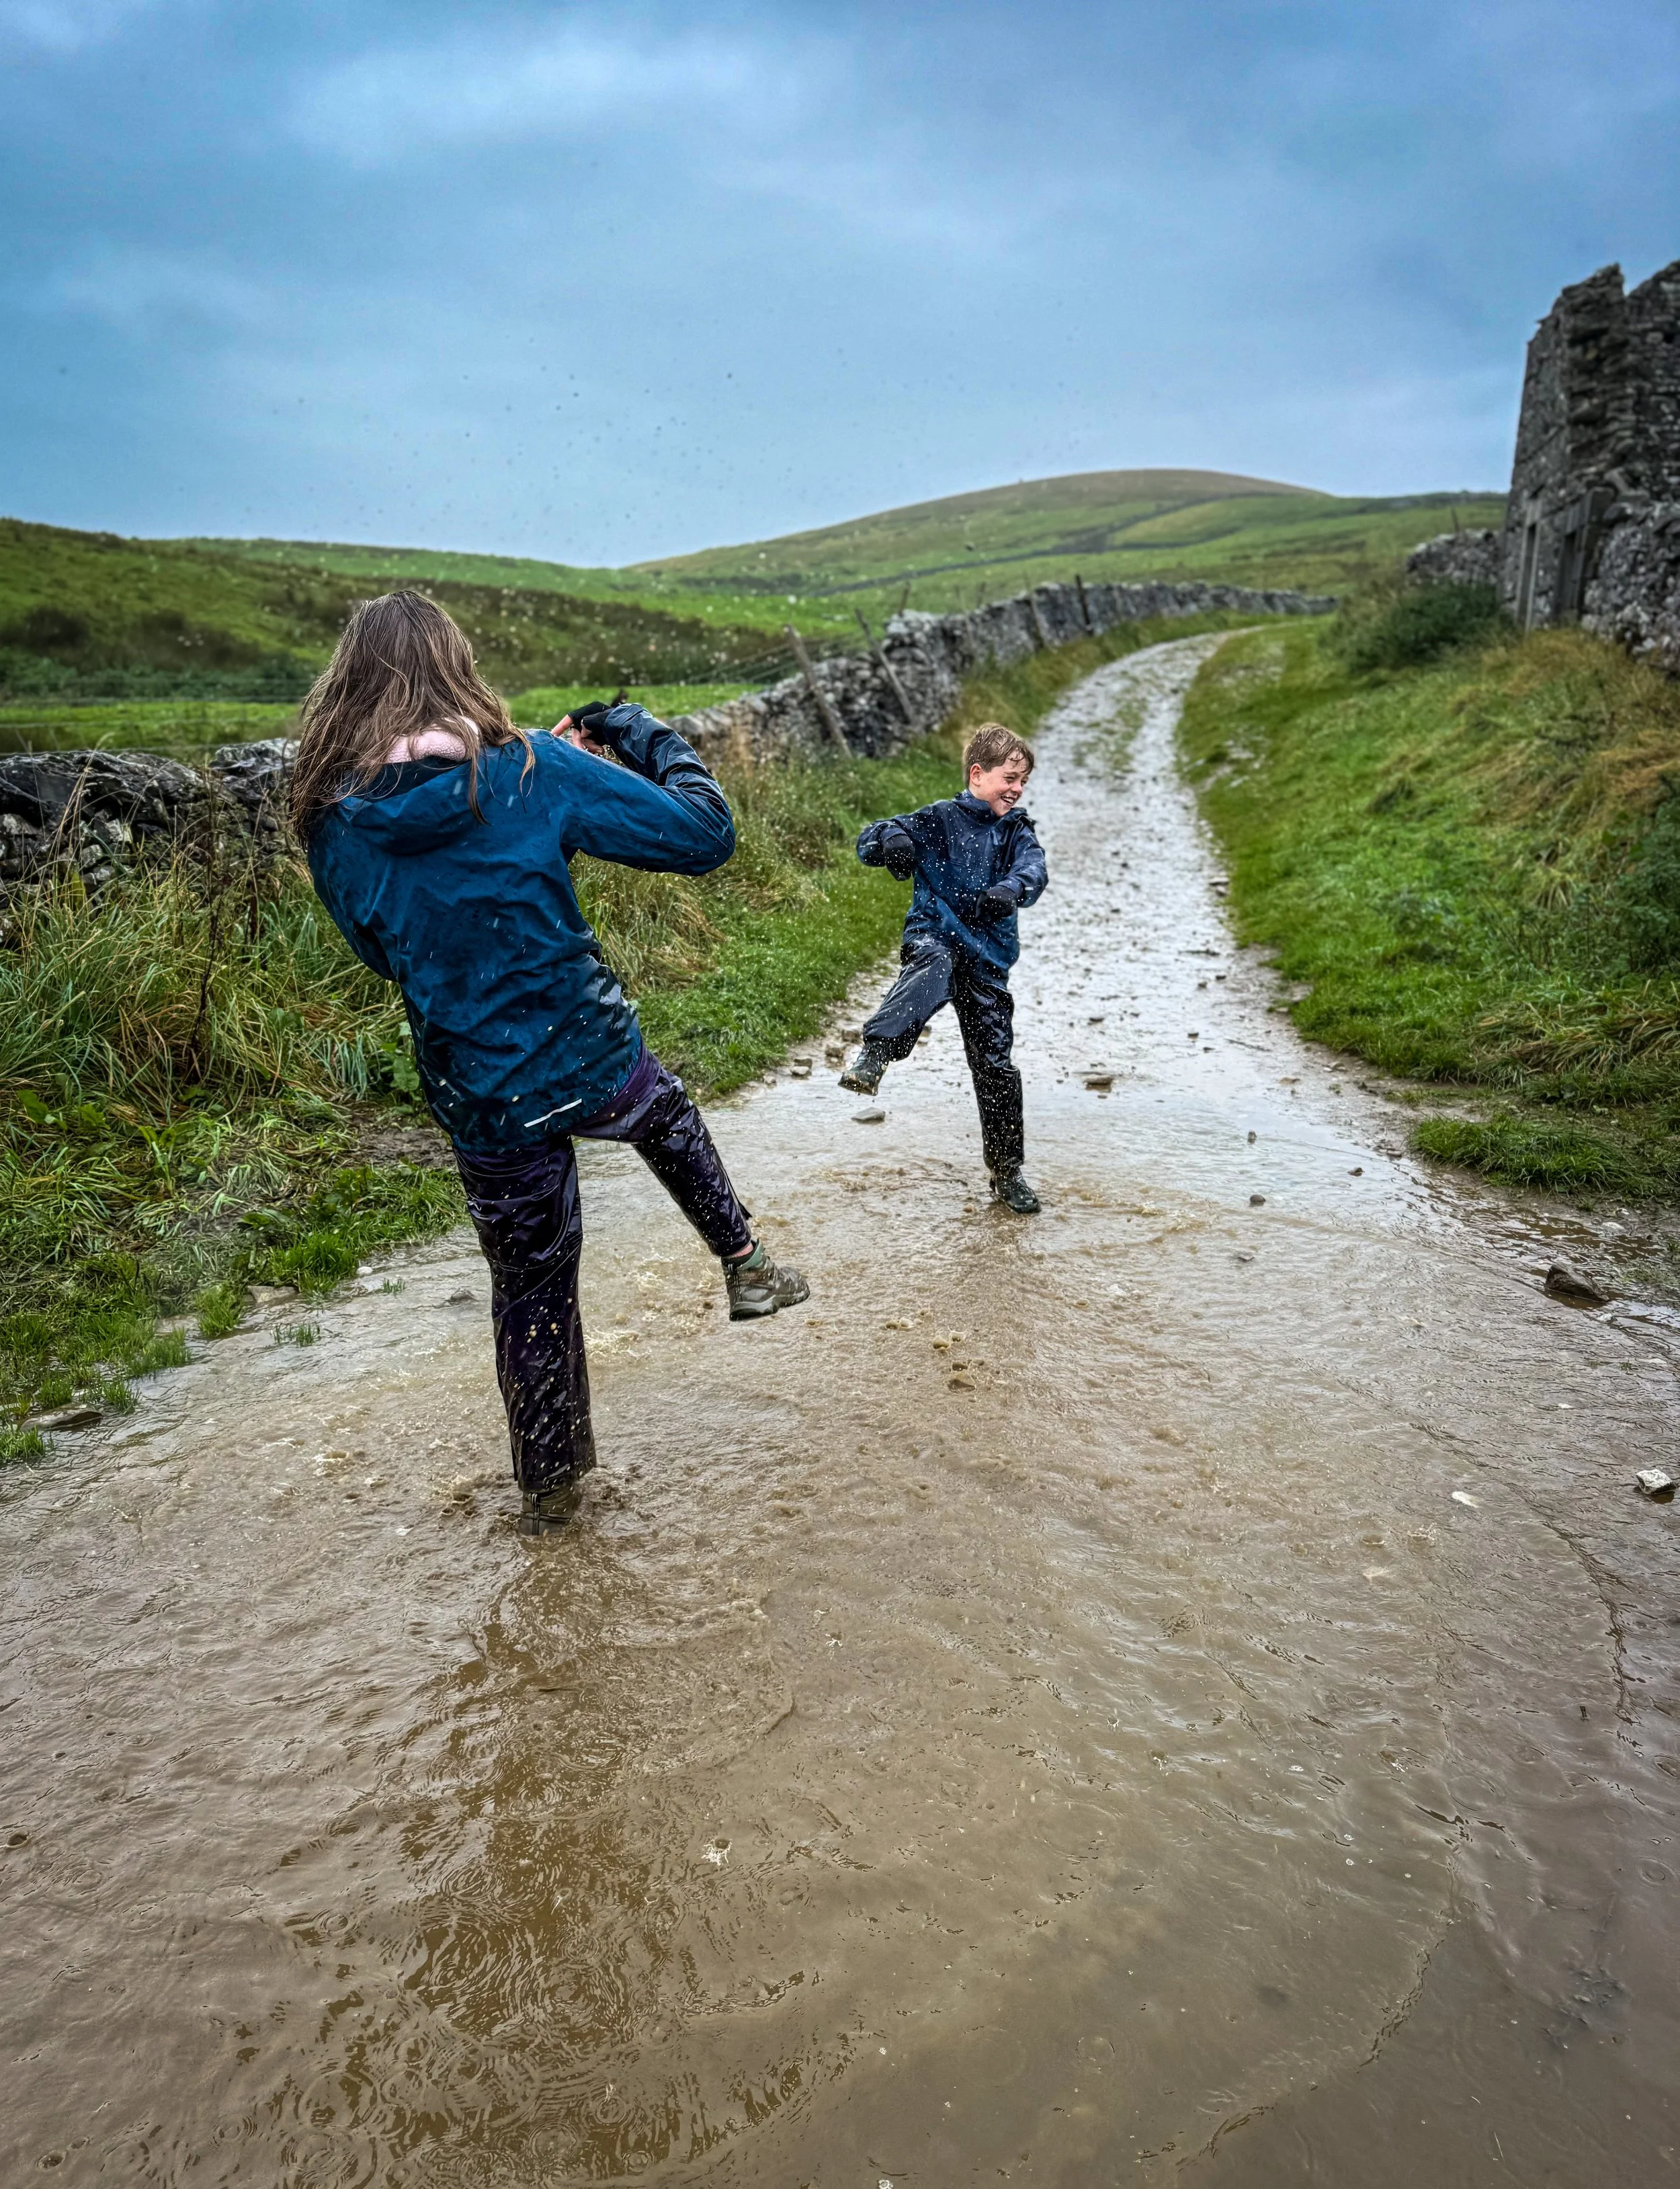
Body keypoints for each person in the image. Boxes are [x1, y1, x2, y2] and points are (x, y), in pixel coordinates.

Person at [292, 591, 808, 1536]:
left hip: (478, 1084)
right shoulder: (533, 768)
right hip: (587, 1044)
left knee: (530, 1293)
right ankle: (746, 1262)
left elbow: (380, 945)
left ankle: (550, 1500)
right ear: (458, 668)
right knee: (658, 1107)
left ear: (351, 689)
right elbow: (706, 835)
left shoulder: (330, 820)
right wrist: (637, 734)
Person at [841, 722, 1048, 1213]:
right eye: (1009, 777)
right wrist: (892, 840)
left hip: (987, 961)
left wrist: (1011, 888)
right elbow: (869, 839)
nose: (1017, 789)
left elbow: (1034, 869)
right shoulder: (937, 819)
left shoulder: (1017, 831)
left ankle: (1007, 1171)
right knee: (932, 965)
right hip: (934, 936)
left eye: (1023, 782)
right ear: (978, 774)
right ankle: (875, 1054)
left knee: (996, 1067)